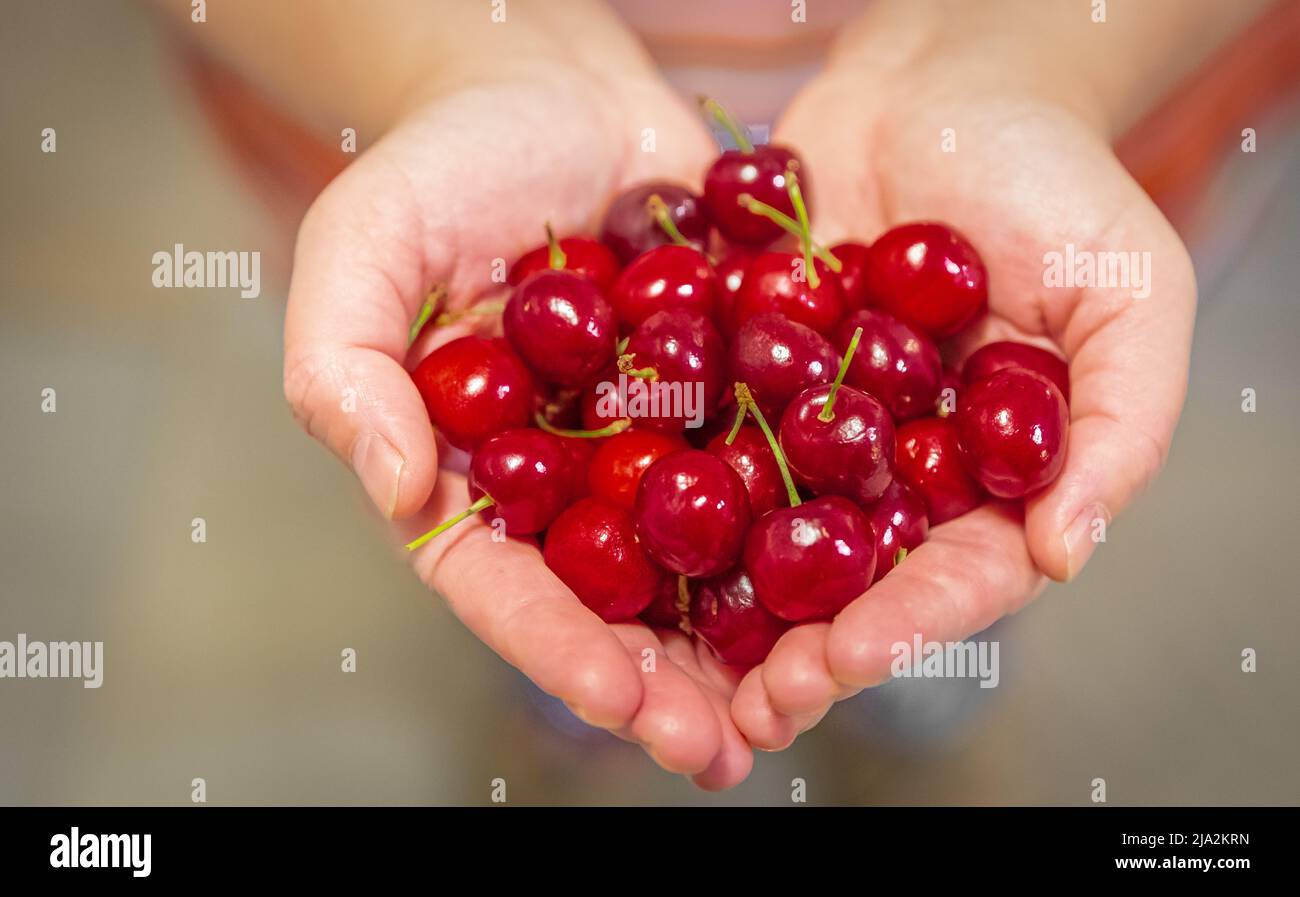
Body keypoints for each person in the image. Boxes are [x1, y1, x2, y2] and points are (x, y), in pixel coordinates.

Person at [154, 0, 1286, 790]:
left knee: (947, 608)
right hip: (414, 81)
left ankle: (923, 713)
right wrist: (450, 68)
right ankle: (579, 723)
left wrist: (1029, 64)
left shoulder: (851, 369)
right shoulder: (620, 359)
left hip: (1080, 77)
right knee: (570, 618)